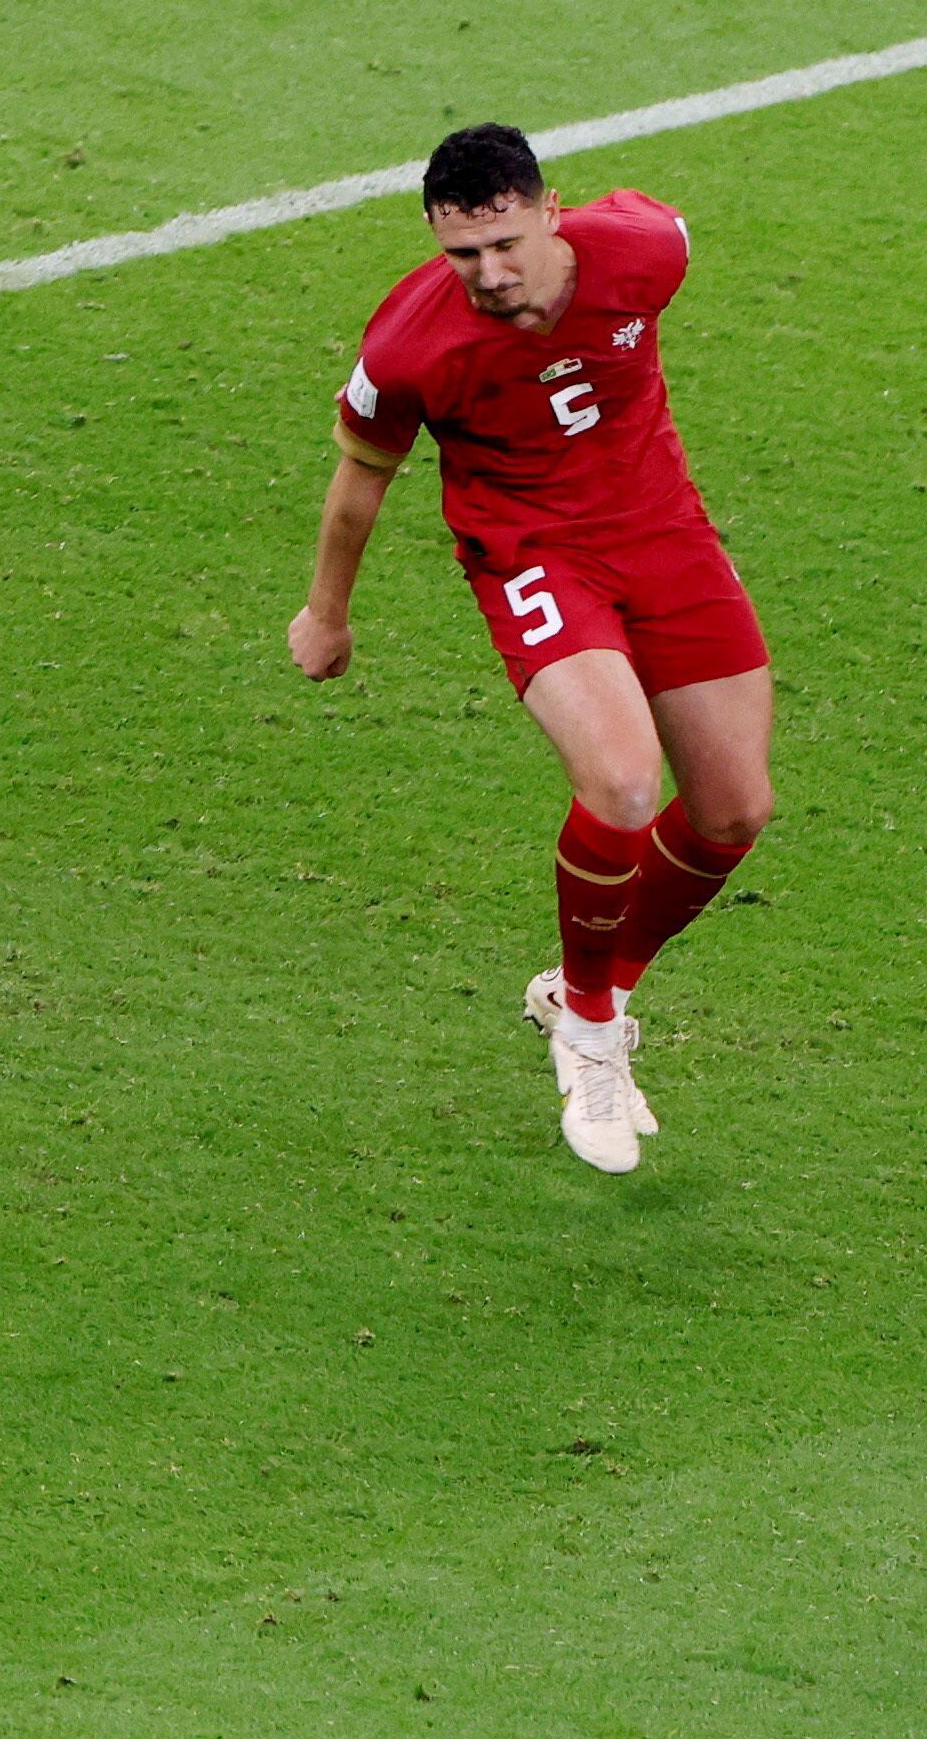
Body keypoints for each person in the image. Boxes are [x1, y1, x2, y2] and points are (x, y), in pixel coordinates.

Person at [286, 123, 775, 1175]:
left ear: (552, 211)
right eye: (463, 254)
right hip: (534, 555)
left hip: (665, 536)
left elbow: (663, 220)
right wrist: (327, 614)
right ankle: (592, 1033)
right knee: (624, 781)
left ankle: (583, 984)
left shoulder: (645, 251)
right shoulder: (409, 344)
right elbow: (358, 487)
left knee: (734, 809)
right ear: (435, 239)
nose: (490, 274)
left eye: (505, 242)